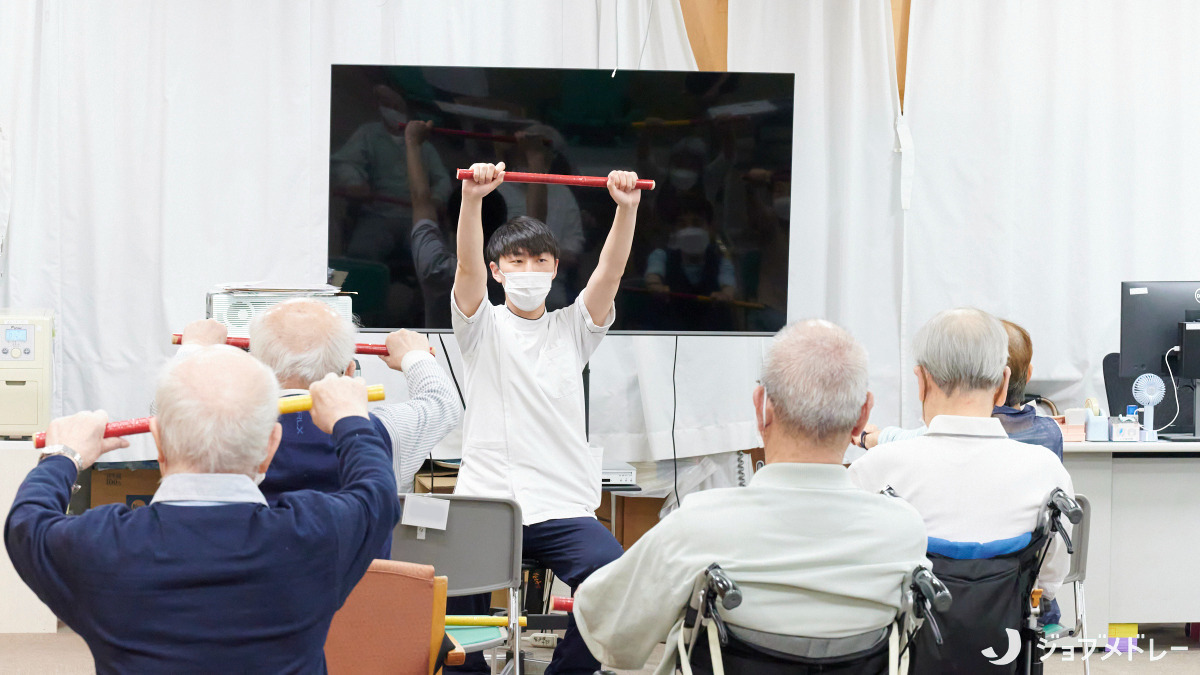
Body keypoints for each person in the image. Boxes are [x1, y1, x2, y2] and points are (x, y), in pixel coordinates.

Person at [4, 347, 399, 672]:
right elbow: (377, 491)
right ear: (271, 445)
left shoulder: (98, 544)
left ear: (158, 443)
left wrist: (64, 455)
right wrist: (351, 420)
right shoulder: (318, 533)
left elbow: (26, 521)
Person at [572, 320, 929, 674]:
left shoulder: (697, 525)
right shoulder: (904, 532)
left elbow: (608, 633)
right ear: (863, 415)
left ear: (761, 408)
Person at [447, 161, 642, 674]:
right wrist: (472, 199)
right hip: (486, 503)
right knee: (448, 601)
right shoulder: (480, 326)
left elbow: (610, 273)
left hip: (561, 505)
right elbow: (465, 267)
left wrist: (626, 210)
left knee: (616, 584)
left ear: (555, 268)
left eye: (540, 260)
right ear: (497, 271)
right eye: (516, 260)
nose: (529, 270)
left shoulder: (573, 328)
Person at [847, 308, 1075, 602]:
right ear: (1004, 383)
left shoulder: (872, 471)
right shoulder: (1047, 471)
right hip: (1011, 629)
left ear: (921, 381)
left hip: (909, 629)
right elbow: (1049, 582)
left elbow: (857, 578)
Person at [176, 301, 459, 502]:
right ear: (350, 370)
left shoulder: (221, 428)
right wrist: (415, 356)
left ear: (255, 370)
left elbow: (168, 414)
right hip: (356, 572)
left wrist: (194, 349)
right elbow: (442, 402)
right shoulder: (386, 430)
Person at [856, 318, 1064, 460]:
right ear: (1029, 374)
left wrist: (865, 437)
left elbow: (899, 439)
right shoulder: (1051, 434)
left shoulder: (950, 434)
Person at [405, 119, 508, 328]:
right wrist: (537, 160)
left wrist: (413, 143)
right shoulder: (512, 275)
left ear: (449, 223)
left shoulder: (436, 268)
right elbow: (537, 225)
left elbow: (421, 200)